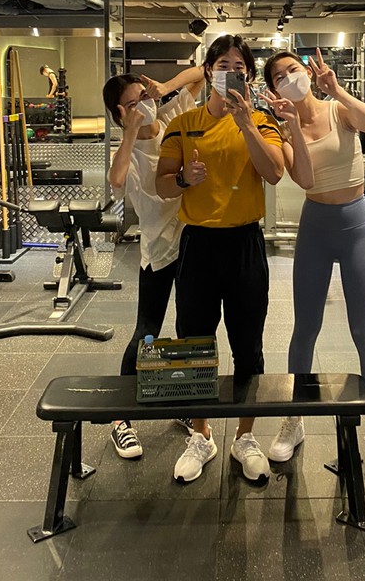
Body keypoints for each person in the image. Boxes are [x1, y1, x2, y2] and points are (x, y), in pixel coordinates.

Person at [156, 35, 284, 485]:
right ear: (208, 70)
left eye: (239, 66)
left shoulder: (262, 120)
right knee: (193, 342)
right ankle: (201, 433)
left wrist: (246, 122)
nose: (231, 71)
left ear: (248, 75)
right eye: (223, 64)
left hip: (245, 243)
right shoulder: (183, 123)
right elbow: (161, 185)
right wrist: (184, 179)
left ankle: (245, 437)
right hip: (199, 245)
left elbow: (274, 172)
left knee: (248, 345)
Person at [262, 47, 365, 480]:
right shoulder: (284, 130)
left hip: (356, 225)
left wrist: (336, 90)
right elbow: (305, 179)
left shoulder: (339, 111)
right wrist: (292, 127)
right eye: (279, 76)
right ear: (273, 88)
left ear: (307, 71)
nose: (290, 78)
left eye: (293, 69)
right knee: (304, 330)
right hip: (315, 227)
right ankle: (294, 419)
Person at [102, 65, 205, 460]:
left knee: (189, 331)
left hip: (192, 242)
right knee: (146, 332)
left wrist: (165, 88)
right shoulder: (128, 152)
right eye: (132, 104)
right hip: (158, 251)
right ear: (119, 113)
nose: (143, 106)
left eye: (143, 97)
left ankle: (184, 406)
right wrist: (129, 132)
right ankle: (120, 418)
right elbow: (116, 180)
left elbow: (201, 73)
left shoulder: (171, 116)